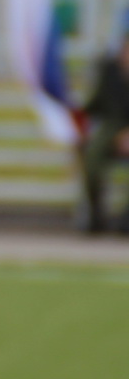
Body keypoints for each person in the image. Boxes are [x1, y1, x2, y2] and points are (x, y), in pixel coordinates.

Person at [81, 39, 129, 234]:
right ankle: (96, 215)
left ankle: (126, 219)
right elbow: (96, 103)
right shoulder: (109, 70)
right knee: (92, 158)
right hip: (111, 125)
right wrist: (78, 120)